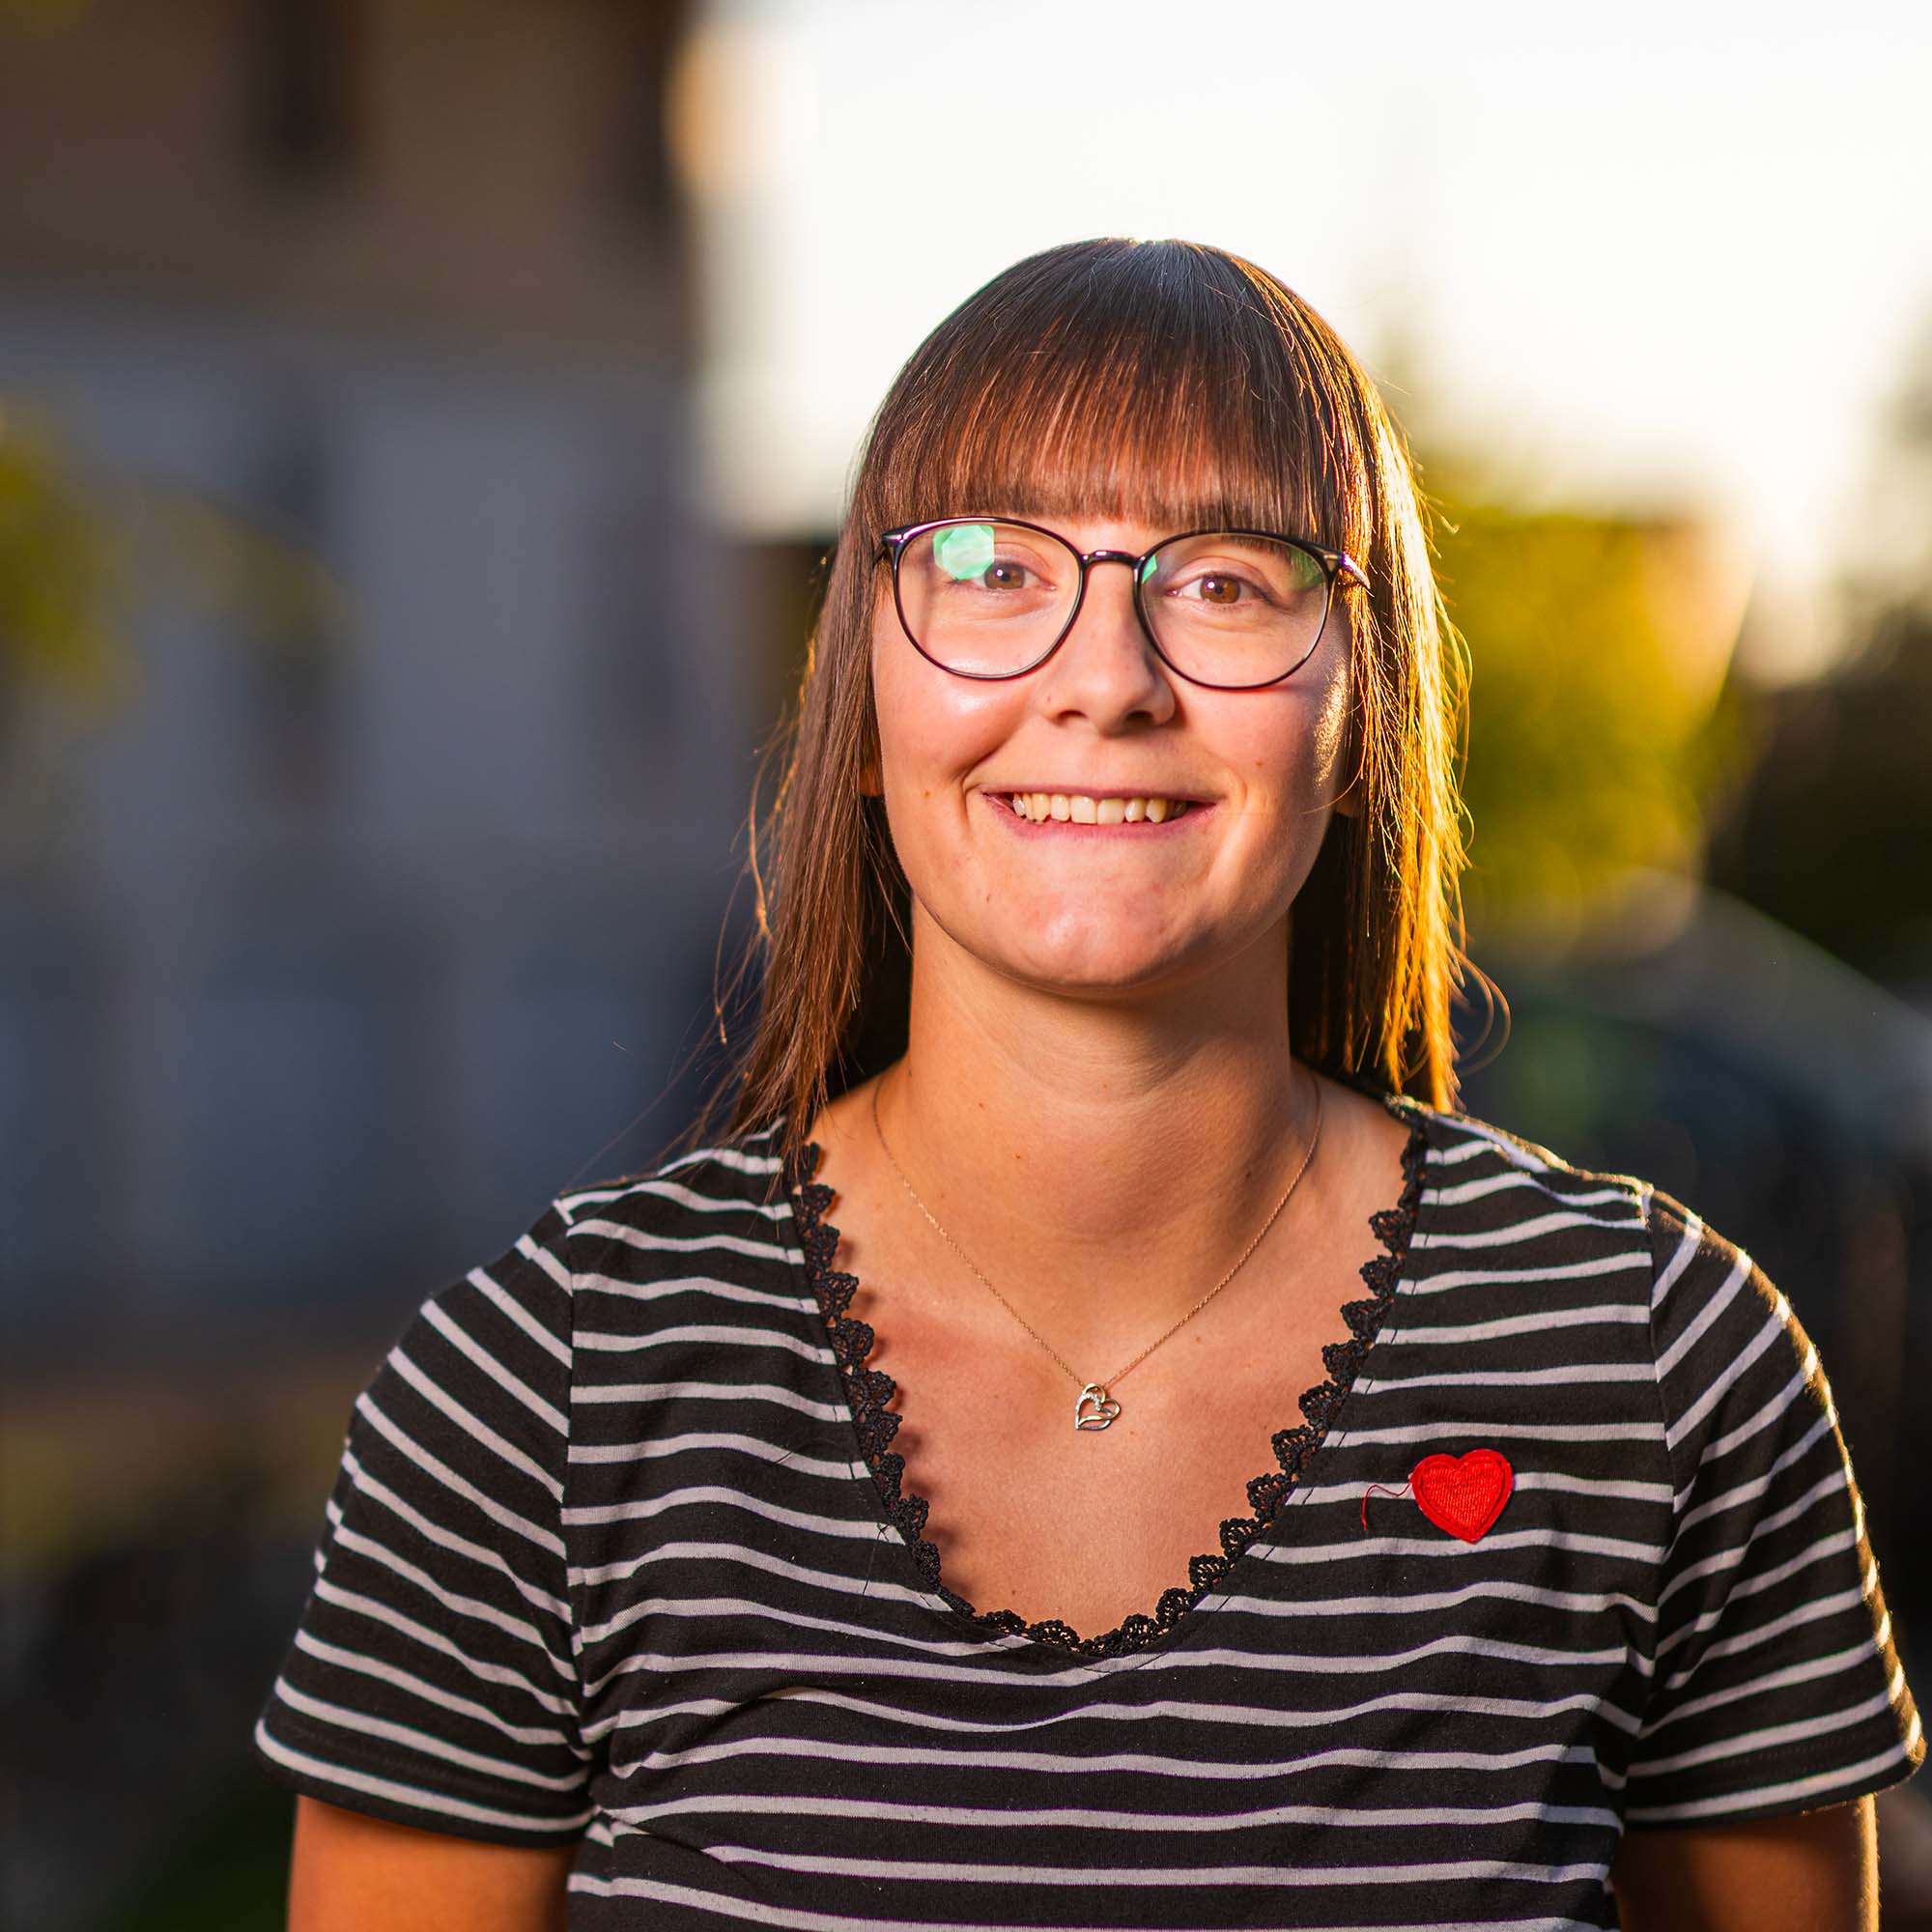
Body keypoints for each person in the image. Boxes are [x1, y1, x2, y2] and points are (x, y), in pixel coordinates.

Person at [254, 239, 1922, 1931]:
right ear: (864, 684)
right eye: (988, 566)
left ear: (1362, 700)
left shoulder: (1654, 1365)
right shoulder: (539, 1394)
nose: (1106, 679)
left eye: (1225, 582)